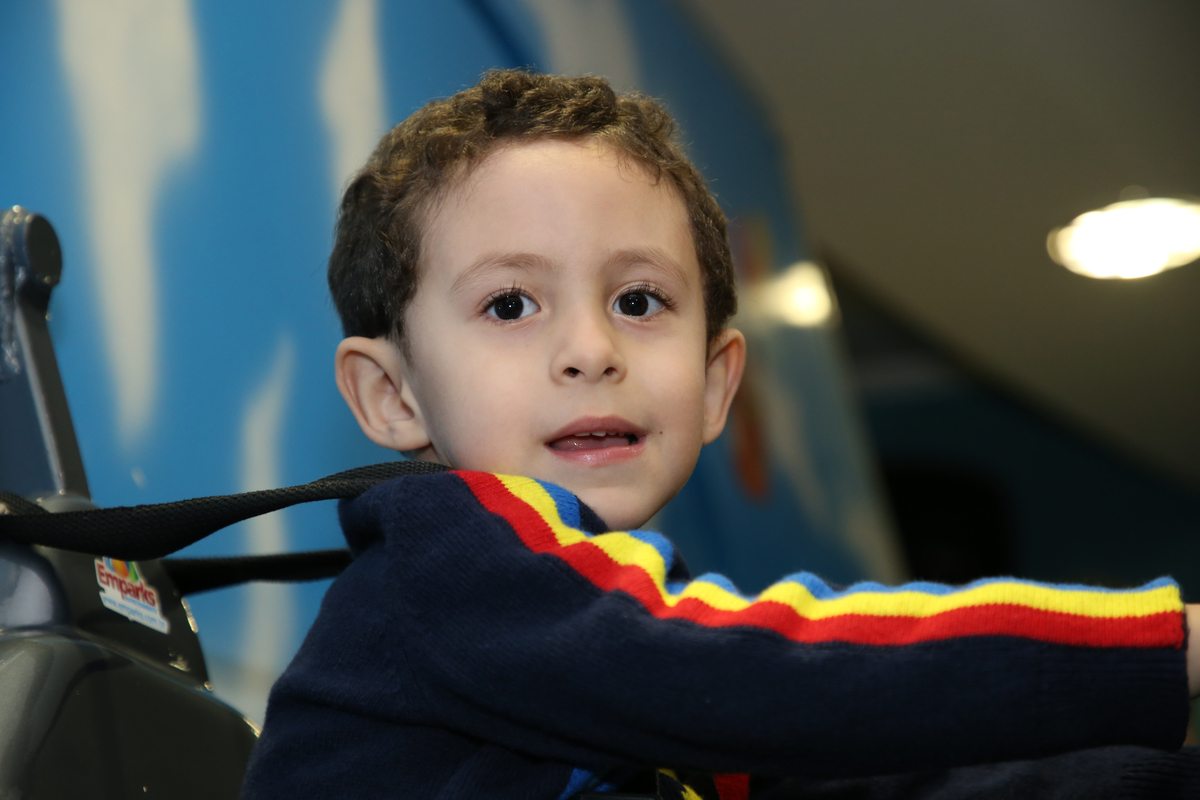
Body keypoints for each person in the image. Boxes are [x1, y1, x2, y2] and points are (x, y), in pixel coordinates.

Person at [239, 70, 1200, 799]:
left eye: (639, 300)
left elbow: (876, 774)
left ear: (712, 383)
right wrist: (1169, 644)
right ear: (393, 394)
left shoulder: (632, 647)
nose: (591, 350)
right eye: (510, 303)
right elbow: (780, 677)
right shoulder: (449, 558)